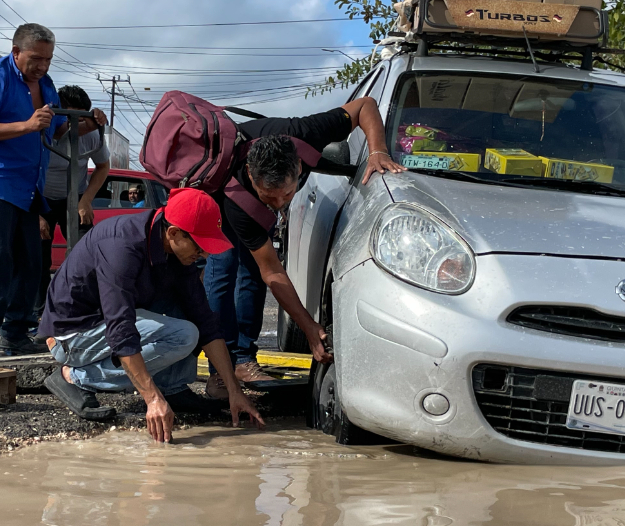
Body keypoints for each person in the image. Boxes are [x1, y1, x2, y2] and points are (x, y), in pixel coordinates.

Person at [203, 95, 403, 398]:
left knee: (251, 277)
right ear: (252, 178)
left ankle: (243, 359)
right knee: (223, 271)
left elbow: (366, 105)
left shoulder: (307, 131)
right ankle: (220, 371)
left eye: (285, 194)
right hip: (219, 197)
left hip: (256, 188)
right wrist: (309, 327)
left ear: (299, 167)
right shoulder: (238, 194)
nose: (279, 204)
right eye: (268, 197)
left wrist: (377, 150)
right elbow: (274, 272)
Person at [39, 187, 264, 441]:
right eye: (200, 247)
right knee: (184, 335)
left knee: (192, 313)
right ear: (173, 233)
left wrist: (234, 390)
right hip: (72, 335)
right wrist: (151, 398)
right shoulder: (121, 247)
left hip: (106, 322)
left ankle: (173, 386)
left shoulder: (172, 249)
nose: (205, 255)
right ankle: (74, 377)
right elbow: (121, 329)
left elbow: (205, 320)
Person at [0, 23, 66, 361]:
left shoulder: (46, 85)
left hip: (29, 186)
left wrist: (89, 120)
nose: (42, 66)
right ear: (16, 51)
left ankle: (15, 332)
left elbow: (57, 129)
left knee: (31, 262)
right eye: (35, 59)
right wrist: (27, 125)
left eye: (48, 59)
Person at [36, 84, 110, 318]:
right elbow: (25, 171)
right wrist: (36, 212)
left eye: (81, 118)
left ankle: (84, 308)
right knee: (37, 257)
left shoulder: (90, 136)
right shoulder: (42, 132)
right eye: (69, 116)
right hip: (40, 197)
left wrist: (86, 200)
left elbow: (102, 167)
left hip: (74, 195)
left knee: (87, 252)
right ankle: (39, 312)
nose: (75, 124)